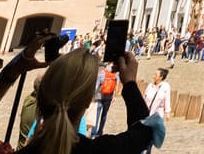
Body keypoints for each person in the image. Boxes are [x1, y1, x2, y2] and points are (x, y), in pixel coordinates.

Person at [25, 49, 155, 154]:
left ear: (41, 95)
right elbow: (145, 132)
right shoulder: (99, 150)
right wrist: (130, 84)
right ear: (88, 101)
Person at [90, 62, 119, 138]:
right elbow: (117, 85)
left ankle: (93, 133)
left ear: (107, 64)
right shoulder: (115, 73)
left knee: (97, 115)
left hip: (99, 97)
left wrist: (93, 96)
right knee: (104, 115)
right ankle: (100, 132)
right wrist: (114, 96)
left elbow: (96, 86)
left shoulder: (101, 73)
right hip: (109, 97)